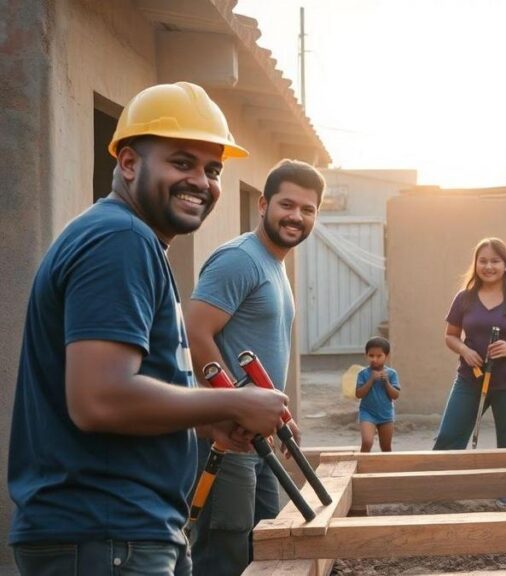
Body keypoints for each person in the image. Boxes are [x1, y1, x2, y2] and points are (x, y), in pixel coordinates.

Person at [7, 82, 289, 576]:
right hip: (105, 534)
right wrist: (233, 401)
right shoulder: (120, 240)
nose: (201, 181)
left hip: (121, 532)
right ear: (130, 163)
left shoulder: (124, 238)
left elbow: (122, 396)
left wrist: (203, 420)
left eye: (212, 169)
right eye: (182, 163)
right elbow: (100, 399)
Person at [185, 159, 324, 575]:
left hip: (260, 434)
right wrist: (233, 407)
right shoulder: (240, 259)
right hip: (229, 439)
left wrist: (278, 414)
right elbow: (195, 334)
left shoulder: (274, 264)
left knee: (262, 544)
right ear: (263, 204)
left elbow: (258, 349)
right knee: (223, 550)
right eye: (287, 204)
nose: (296, 216)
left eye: (308, 209)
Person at [434, 238, 506, 462]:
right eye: (482, 261)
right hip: (470, 379)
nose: (488, 266)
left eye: (495, 261)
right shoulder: (464, 297)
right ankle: (440, 489)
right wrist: (464, 350)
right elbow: (450, 336)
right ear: (475, 264)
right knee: (449, 436)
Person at [355, 337, 401, 452]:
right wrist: (371, 380)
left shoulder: (391, 374)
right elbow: (359, 394)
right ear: (366, 355)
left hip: (386, 414)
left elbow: (395, 395)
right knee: (367, 442)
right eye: (371, 356)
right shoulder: (363, 374)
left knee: (386, 447)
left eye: (379, 356)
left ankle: (388, 468)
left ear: (387, 356)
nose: (374, 359)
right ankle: (362, 467)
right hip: (367, 413)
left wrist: (386, 382)